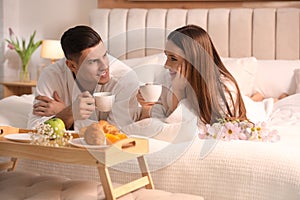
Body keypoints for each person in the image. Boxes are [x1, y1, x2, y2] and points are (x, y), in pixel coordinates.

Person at [28, 25, 141, 130]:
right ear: (72, 65)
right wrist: (71, 112)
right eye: (93, 61)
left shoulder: (126, 79)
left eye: (105, 55)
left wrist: (66, 113)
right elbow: (34, 129)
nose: (105, 66)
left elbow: (115, 133)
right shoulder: (52, 75)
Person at [138, 24, 248, 126]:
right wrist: (146, 108)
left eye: (173, 59)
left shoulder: (224, 90)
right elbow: (150, 124)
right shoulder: (167, 78)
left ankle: (256, 97)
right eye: (166, 56)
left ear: (195, 60)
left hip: (247, 107)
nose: (166, 65)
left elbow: (186, 130)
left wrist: (178, 92)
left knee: (251, 101)